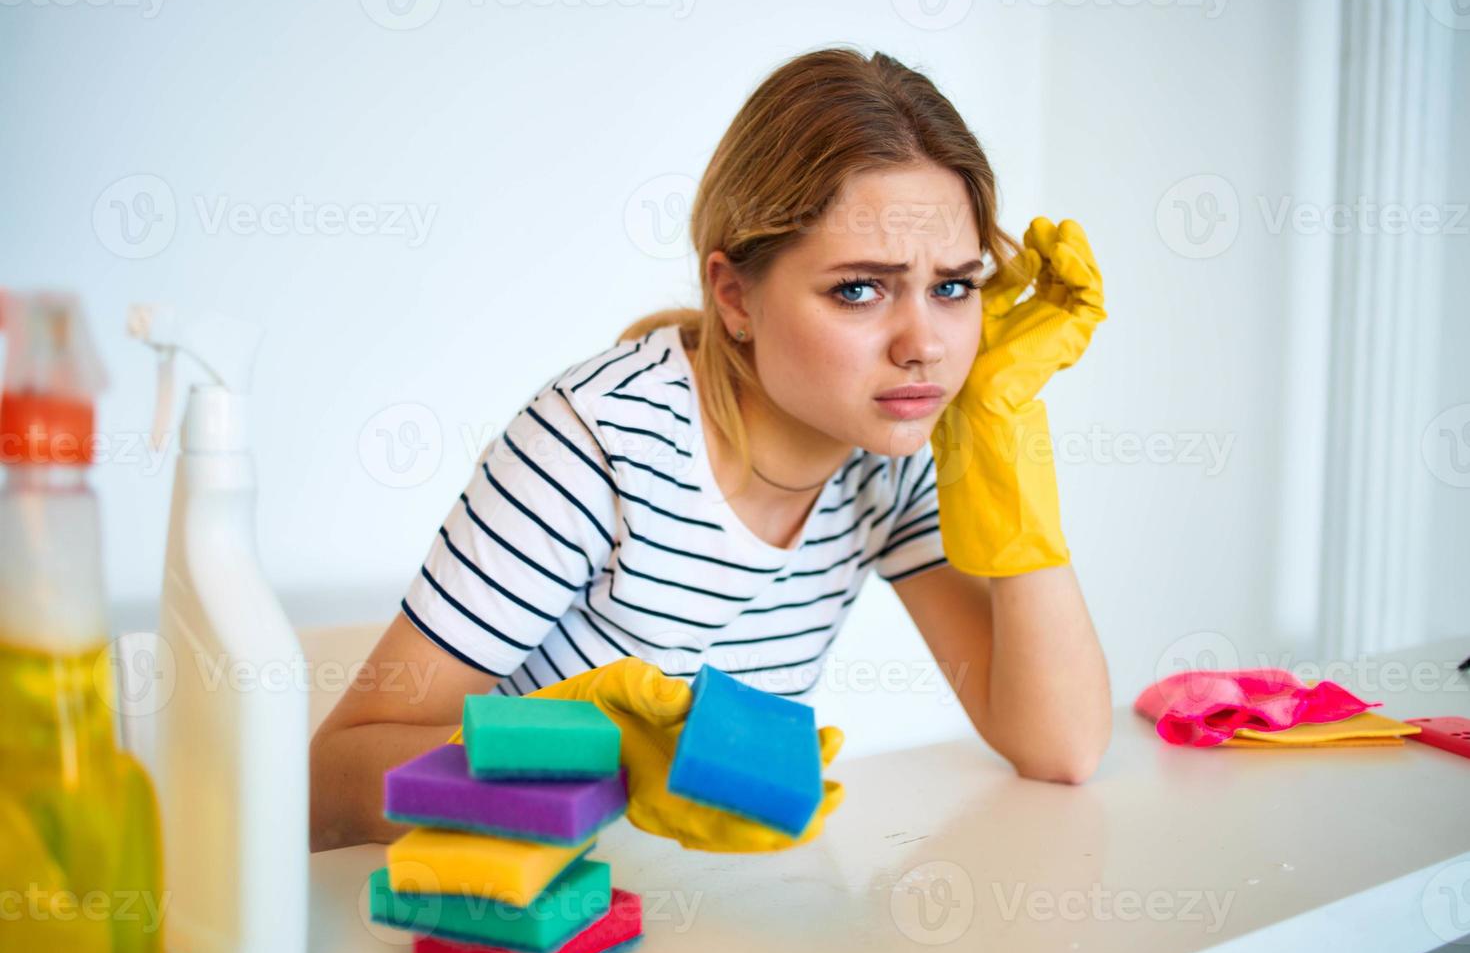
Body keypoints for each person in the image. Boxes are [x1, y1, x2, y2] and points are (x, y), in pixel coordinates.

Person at [310, 45, 1112, 854]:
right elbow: (330, 781)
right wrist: (593, 758)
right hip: (534, 910)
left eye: (952, 286)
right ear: (734, 295)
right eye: (859, 289)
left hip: (715, 909)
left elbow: (1060, 746)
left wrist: (1000, 432)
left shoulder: (893, 455)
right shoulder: (600, 445)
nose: (925, 347)